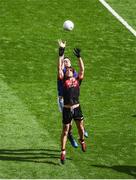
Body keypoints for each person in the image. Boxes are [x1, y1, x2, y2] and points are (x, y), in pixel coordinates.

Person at [58, 40, 86, 164]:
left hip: (77, 107)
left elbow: (82, 70)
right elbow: (59, 67)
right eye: (67, 69)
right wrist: (61, 51)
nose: (68, 69)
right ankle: (63, 151)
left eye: (70, 69)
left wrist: (79, 57)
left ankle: (82, 140)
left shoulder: (77, 80)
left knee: (80, 127)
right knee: (65, 130)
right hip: (67, 109)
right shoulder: (63, 80)